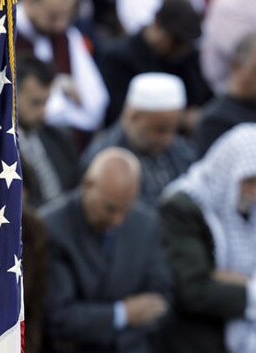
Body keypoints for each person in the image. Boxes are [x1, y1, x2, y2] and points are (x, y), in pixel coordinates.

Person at [158, 124, 256, 353]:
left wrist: (237, 279)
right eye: (250, 182)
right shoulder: (183, 206)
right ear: (229, 173)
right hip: (196, 340)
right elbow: (194, 291)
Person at [40, 147, 172, 353]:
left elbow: (161, 299)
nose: (118, 220)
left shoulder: (145, 223)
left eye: (126, 210)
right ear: (88, 185)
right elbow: (60, 316)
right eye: (110, 208)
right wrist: (123, 314)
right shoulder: (51, 228)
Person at [81, 72, 196, 208]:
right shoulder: (105, 159)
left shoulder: (182, 150)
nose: (168, 139)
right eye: (160, 130)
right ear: (133, 117)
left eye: (174, 130)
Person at [99, 0, 212, 132]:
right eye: (176, 41)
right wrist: (179, 118)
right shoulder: (119, 58)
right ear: (157, 26)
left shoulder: (185, 57)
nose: (181, 49)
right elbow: (120, 113)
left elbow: (203, 97)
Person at [16, 0, 109, 136]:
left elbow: (96, 102)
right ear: (30, 3)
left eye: (67, 16)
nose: (61, 24)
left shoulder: (68, 36)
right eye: (53, 17)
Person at [16, 56, 81, 208]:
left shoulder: (59, 138)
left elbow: (76, 187)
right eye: (35, 103)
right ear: (12, 94)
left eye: (46, 102)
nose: (43, 112)